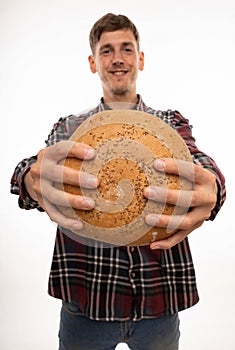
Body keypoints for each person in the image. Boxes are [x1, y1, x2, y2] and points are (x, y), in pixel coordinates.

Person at [10, 13, 226, 350]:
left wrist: (213, 184)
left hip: (159, 307)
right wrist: (28, 177)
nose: (117, 58)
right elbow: (34, 168)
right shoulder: (69, 128)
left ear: (140, 58)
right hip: (87, 304)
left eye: (126, 48)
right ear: (93, 63)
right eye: (106, 51)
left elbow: (198, 162)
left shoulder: (169, 123)